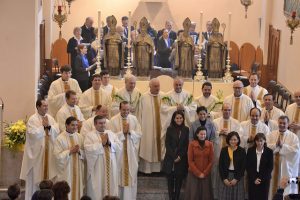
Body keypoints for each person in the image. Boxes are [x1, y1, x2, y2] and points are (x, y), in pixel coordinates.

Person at [20, 99, 59, 200]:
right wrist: (43, 127)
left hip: (48, 154)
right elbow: (32, 135)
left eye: (47, 106)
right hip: (37, 156)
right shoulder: (32, 119)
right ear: (38, 107)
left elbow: (56, 130)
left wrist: (49, 127)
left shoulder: (50, 118)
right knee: (35, 180)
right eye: (44, 106)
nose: (46, 107)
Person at [108, 101, 142, 200]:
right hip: (119, 154)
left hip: (131, 153)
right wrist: (122, 133)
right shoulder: (113, 120)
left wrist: (130, 132)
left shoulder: (134, 119)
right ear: (120, 109)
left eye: (128, 109)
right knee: (118, 175)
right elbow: (111, 137)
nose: (126, 111)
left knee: (130, 177)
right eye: (124, 109)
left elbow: (139, 133)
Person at [84, 116, 122, 199]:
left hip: (111, 166)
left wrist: (110, 143)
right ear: (95, 124)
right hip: (98, 167)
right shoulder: (90, 135)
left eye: (104, 123)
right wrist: (101, 144)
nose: (103, 125)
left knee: (111, 187)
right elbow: (88, 149)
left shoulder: (111, 134)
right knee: (98, 188)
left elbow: (119, 146)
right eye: (100, 123)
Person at [212, 103, 242, 198]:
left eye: (229, 110)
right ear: (222, 110)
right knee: (218, 171)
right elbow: (211, 136)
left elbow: (239, 136)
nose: (227, 112)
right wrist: (219, 133)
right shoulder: (215, 122)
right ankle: (217, 194)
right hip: (218, 150)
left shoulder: (236, 122)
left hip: (232, 153)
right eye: (225, 110)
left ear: (231, 111)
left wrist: (229, 134)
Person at [267, 115, 300, 196]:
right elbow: (265, 147)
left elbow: (296, 152)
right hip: (273, 168)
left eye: (284, 123)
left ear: (288, 124)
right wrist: (275, 146)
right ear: (278, 123)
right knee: (271, 191)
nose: (282, 125)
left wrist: (282, 146)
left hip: (286, 170)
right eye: (280, 123)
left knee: (286, 191)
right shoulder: (271, 134)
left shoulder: (294, 137)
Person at [54, 117, 85, 200]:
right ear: (66, 125)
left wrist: (79, 152)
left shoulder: (80, 137)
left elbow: (85, 154)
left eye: (76, 125)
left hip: (78, 171)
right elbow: (57, 157)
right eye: (72, 125)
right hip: (66, 171)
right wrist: (70, 151)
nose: (75, 127)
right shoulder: (59, 138)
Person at [138, 78, 164, 173]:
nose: (157, 88)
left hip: (160, 127)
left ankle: (159, 169)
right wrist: (140, 127)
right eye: (155, 86)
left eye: (158, 86)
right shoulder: (143, 97)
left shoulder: (164, 96)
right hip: (147, 128)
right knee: (147, 146)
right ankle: (146, 169)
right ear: (150, 86)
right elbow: (139, 113)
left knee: (160, 147)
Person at [162, 111, 189, 200]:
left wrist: (180, 157)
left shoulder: (186, 129)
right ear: (174, 119)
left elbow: (186, 145)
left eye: (180, 118)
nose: (179, 119)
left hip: (181, 160)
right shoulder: (170, 129)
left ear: (183, 119)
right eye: (177, 118)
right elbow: (167, 144)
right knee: (170, 183)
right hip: (170, 159)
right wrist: (173, 156)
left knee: (178, 183)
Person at [184, 126, 214, 200]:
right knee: (194, 194)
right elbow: (190, 161)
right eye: (201, 134)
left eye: (204, 134)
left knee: (205, 194)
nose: (203, 136)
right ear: (197, 134)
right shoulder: (191, 144)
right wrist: (198, 173)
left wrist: (204, 173)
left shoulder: (210, 144)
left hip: (205, 174)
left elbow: (211, 161)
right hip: (193, 174)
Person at [219, 131, 246, 200]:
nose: (233, 141)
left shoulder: (242, 151)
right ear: (228, 140)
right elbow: (220, 166)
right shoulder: (224, 150)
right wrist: (224, 179)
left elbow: (243, 167)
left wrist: (236, 179)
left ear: (238, 140)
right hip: (226, 176)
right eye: (231, 139)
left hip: (237, 177)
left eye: (235, 139)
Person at [246, 133, 273, 200]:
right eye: (257, 141)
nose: (259, 143)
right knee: (252, 196)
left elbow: (270, 168)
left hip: (264, 179)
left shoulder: (269, 152)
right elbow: (248, 166)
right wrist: (254, 178)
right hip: (253, 178)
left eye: (261, 140)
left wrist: (260, 179)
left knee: (263, 197)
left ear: (264, 141)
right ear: (255, 141)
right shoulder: (250, 150)